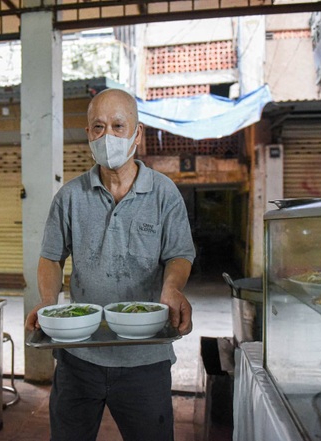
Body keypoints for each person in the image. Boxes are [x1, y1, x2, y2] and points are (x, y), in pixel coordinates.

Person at [25, 88, 196, 441]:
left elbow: (179, 253)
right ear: (88, 134)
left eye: (119, 126)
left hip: (145, 357)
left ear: (138, 134)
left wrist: (172, 287)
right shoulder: (69, 197)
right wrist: (47, 300)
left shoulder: (164, 193)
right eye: (98, 127)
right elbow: (51, 257)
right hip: (79, 355)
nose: (108, 137)